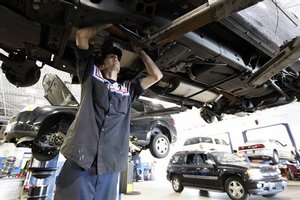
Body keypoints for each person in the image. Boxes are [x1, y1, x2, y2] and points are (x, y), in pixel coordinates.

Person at [54, 26, 163, 200]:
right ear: (102, 64)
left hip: (109, 166)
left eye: (118, 57)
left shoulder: (127, 89)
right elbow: (81, 35)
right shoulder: (92, 76)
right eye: (110, 56)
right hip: (81, 159)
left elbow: (156, 75)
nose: (115, 57)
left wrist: (140, 51)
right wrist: (109, 24)